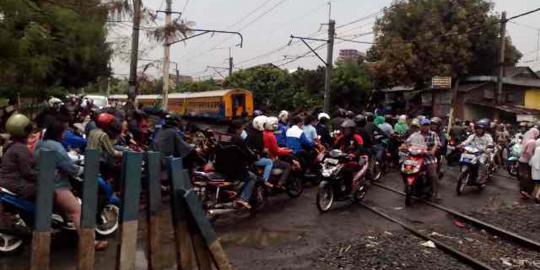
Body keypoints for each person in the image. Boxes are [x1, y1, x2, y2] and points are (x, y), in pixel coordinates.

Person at [34, 119, 108, 250]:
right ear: (58, 132)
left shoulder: (40, 143)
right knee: (77, 211)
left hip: (43, 183)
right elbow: (69, 167)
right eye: (64, 131)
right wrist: (86, 170)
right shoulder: (56, 146)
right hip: (57, 185)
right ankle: (89, 243)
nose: (65, 133)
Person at [0, 114, 36, 198]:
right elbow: (28, 173)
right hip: (14, 184)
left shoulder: (10, 145)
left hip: (5, 181)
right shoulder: (21, 148)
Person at [406, 119, 441, 200]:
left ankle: (435, 192)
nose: (425, 127)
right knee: (406, 170)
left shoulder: (433, 134)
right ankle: (408, 186)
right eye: (424, 125)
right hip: (415, 156)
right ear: (420, 126)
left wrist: (432, 150)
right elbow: (407, 142)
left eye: (427, 125)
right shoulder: (415, 134)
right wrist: (406, 147)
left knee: (432, 175)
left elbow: (436, 144)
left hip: (428, 158)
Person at [460, 119, 494, 187]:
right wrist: (462, 144)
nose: (479, 130)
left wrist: (487, 149)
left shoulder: (488, 136)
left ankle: (481, 179)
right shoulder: (473, 136)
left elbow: (490, 144)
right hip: (473, 152)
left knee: (481, 163)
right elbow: (467, 141)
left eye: (481, 129)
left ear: (484, 129)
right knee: (464, 158)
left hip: (483, 153)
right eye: (478, 128)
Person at [263, 117, 293, 188]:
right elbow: (276, 151)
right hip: (272, 158)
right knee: (288, 166)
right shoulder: (271, 135)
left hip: (266, 157)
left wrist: (281, 149)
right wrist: (288, 151)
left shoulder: (264, 133)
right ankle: (280, 184)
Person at [246, 115, 274, 186]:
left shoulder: (251, 132)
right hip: (253, 158)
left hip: (250, 156)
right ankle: (265, 180)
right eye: (264, 124)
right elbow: (262, 149)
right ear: (260, 124)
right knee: (269, 162)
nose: (265, 126)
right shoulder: (258, 134)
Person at [518, 127, 539, 199]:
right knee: (529, 178)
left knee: (523, 177)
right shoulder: (532, 141)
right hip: (526, 161)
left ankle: (523, 191)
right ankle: (526, 192)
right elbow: (528, 152)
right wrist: (533, 158)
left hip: (522, 160)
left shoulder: (527, 140)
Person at [529, 138, 540, 202]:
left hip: (534, 175)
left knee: (536, 185)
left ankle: (536, 195)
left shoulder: (533, 157)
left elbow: (530, 164)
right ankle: (537, 196)